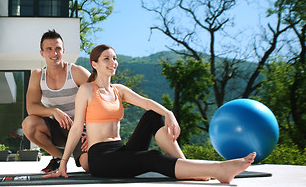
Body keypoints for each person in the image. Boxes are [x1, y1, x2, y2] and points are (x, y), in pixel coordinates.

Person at [44, 44, 256, 183]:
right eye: (106, 59)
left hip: (121, 150)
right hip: (101, 157)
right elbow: (76, 126)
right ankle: (218, 170)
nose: (113, 62)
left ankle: (190, 167)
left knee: (153, 116)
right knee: (152, 157)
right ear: (94, 64)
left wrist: (168, 113)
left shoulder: (119, 90)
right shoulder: (87, 90)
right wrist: (63, 163)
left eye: (114, 58)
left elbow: (146, 103)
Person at [21, 30, 90, 173]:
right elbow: (31, 107)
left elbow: (101, 100)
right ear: (42, 53)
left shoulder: (77, 72)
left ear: (63, 50)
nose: (54, 53)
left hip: (80, 130)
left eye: (58, 49)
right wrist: (53, 111)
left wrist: (94, 132)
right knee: (29, 123)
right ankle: (57, 158)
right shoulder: (38, 75)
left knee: (89, 166)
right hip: (58, 129)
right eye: (49, 49)